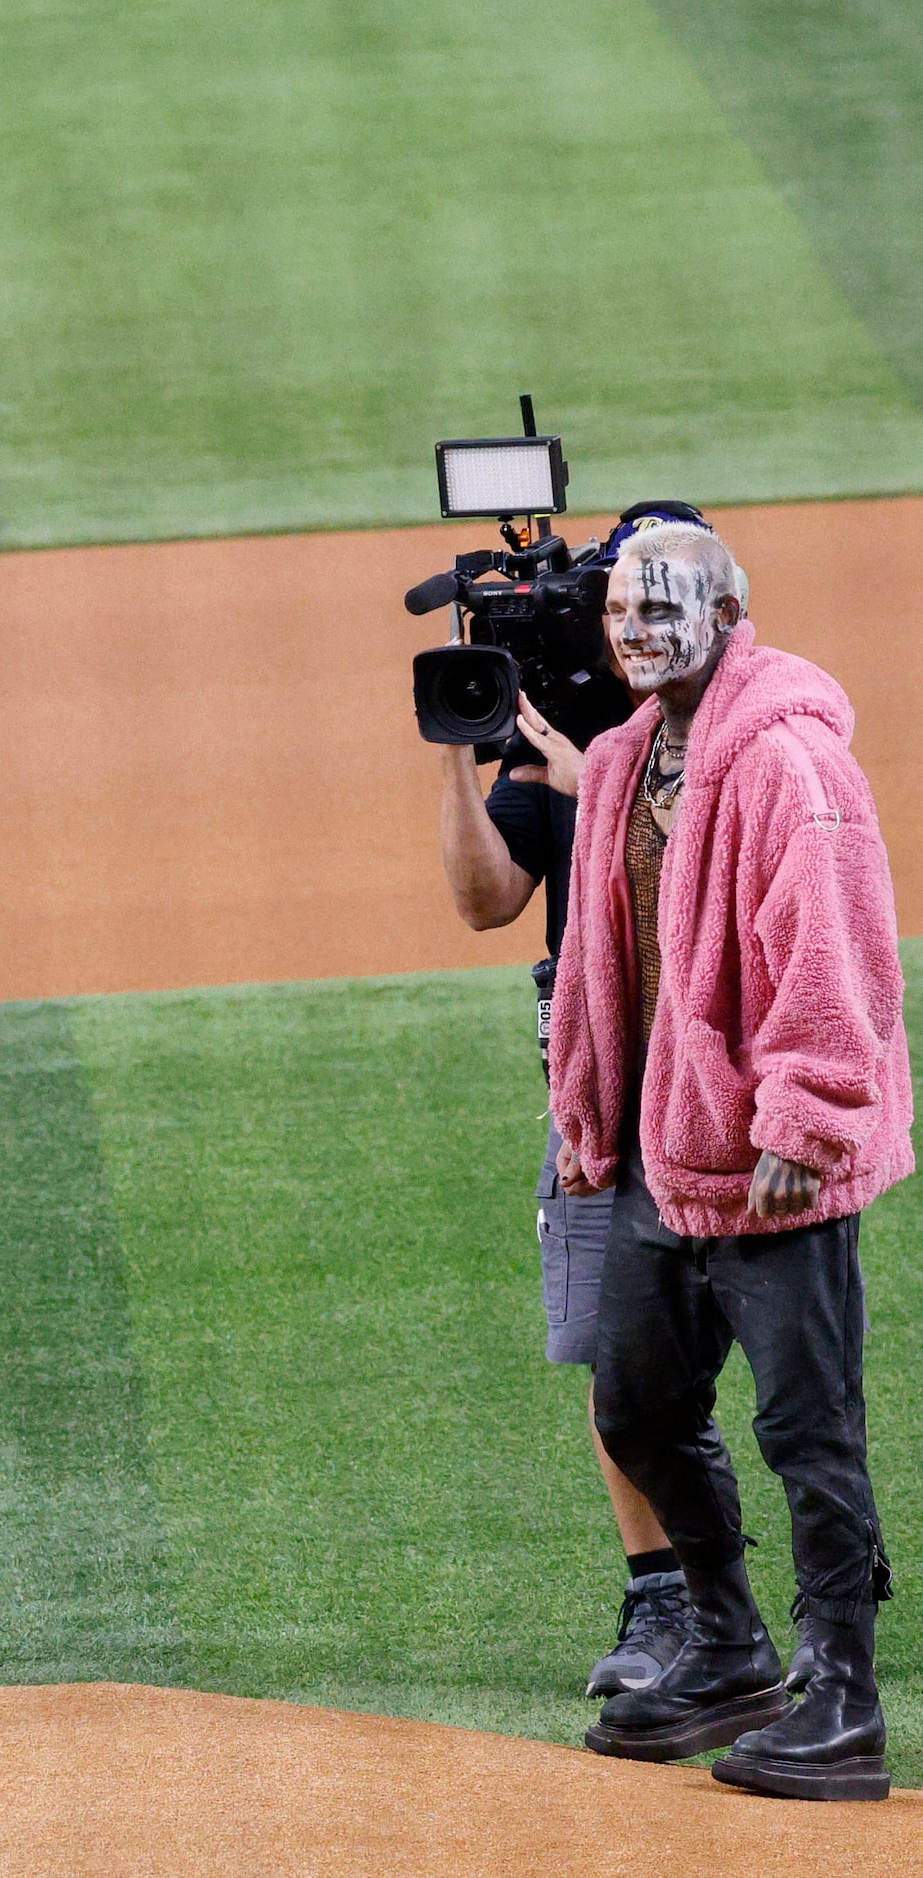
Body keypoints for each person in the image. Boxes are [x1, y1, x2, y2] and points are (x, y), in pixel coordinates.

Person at [552, 520, 910, 1800]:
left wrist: (805, 1126)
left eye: (668, 608)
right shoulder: (620, 762)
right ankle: (725, 1646)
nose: (642, 631)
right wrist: (589, 1110)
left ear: (731, 611)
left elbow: (836, 948)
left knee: (809, 1434)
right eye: (622, 614)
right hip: (663, 1151)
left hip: (771, 1162)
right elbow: (604, 965)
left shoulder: (789, 761)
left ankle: (847, 1703)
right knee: (635, 1405)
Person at [434, 504, 729, 1699]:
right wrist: (455, 749)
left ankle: (818, 1601)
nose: (637, 623)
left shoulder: (746, 736)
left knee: (787, 1365)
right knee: (618, 1360)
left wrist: (593, 778)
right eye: (621, 598)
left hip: (725, 1085)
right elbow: (484, 899)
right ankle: (665, 1599)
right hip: (600, 1087)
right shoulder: (566, 741)